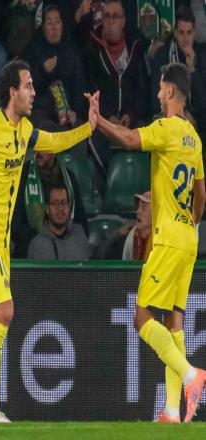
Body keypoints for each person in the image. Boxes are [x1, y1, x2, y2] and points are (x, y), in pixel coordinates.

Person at [0, 59, 95, 422]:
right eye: (28, 85)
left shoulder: (25, 130)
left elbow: (55, 141)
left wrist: (88, 128)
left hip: (1, 240)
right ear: (12, 91)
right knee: (5, 311)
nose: (34, 92)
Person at [86, 62, 206, 423]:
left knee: (141, 318)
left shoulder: (167, 129)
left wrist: (98, 120)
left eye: (159, 88)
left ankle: (191, 375)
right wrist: (190, 222)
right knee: (174, 321)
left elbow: (129, 139)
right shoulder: (194, 137)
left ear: (169, 91)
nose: (157, 93)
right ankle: (172, 410)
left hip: (167, 239)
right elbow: (202, 194)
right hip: (189, 239)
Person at [84, 0, 149, 169]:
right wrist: (108, 116)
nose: (111, 21)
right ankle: (108, 183)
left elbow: (141, 89)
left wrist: (130, 114)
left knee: (148, 139)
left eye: (116, 16)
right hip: (103, 120)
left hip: (131, 119)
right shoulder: (92, 48)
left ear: (124, 21)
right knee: (91, 139)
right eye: (107, 16)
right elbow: (89, 88)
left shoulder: (136, 47)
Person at [151, 7, 206, 145]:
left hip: (199, 121)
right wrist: (182, 114)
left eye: (189, 33)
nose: (186, 39)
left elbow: (203, 100)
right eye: (181, 33)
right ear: (175, 33)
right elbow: (156, 97)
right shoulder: (163, 55)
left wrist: (192, 69)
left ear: (194, 33)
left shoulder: (202, 54)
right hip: (170, 119)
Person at [27, 185, 91, 260]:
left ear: (69, 207)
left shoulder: (79, 234)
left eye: (64, 202)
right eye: (55, 203)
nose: (60, 208)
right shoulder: (37, 244)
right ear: (47, 209)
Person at [121, 191, 152, 261]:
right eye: (138, 207)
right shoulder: (133, 234)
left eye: (144, 207)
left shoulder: (164, 239)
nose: (138, 211)